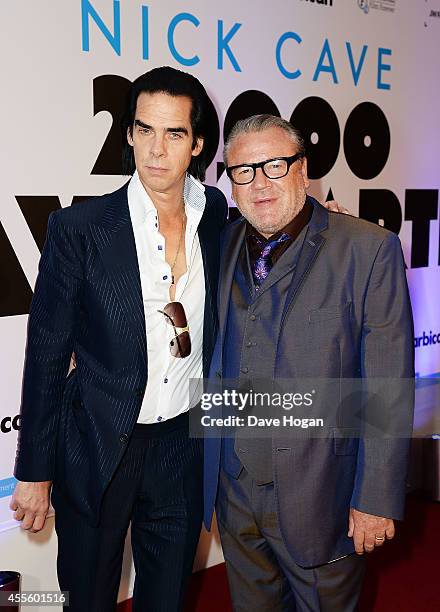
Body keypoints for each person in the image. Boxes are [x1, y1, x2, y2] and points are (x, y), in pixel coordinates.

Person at [10, 66, 228, 612]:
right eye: (144, 130)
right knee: (87, 596)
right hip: (98, 444)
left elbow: (278, 226)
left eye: (174, 133)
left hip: (182, 443)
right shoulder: (79, 228)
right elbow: (45, 355)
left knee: (167, 597)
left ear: (198, 143)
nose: (156, 150)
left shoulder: (218, 216)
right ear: (128, 134)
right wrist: (34, 472)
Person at [203, 114, 414, 611]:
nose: (260, 183)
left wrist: (376, 499)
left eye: (275, 166)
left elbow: (387, 384)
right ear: (229, 181)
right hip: (234, 491)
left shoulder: (368, 249)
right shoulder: (220, 244)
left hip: (324, 496)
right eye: (243, 171)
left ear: (304, 170)